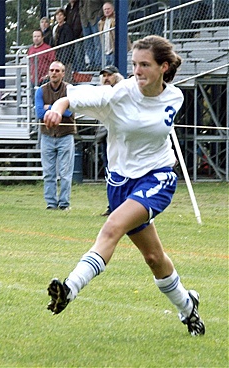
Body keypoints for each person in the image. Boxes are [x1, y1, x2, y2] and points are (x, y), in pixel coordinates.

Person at [44, 35, 205, 336]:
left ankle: (69, 288)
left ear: (164, 67)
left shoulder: (176, 97)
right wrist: (57, 108)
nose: (137, 71)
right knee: (154, 258)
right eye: (134, 64)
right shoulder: (118, 94)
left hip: (158, 177)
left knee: (112, 227)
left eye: (145, 65)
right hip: (120, 184)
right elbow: (71, 98)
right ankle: (188, 307)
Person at [35, 61, 76, 210]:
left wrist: (49, 107)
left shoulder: (69, 90)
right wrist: (58, 108)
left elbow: (69, 112)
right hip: (47, 136)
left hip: (66, 135)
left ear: (63, 73)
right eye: (52, 70)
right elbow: (39, 113)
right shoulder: (41, 90)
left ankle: (64, 203)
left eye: (57, 71)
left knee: (65, 173)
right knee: (48, 173)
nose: (54, 73)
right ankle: (51, 203)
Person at [95, 65, 124, 216]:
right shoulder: (101, 93)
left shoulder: (123, 91)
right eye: (104, 75)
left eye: (109, 75)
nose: (106, 78)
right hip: (105, 138)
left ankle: (124, 206)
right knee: (110, 172)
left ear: (116, 77)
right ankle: (112, 205)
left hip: (122, 139)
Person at [98, 2, 132, 66]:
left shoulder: (117, 19)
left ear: (113, 9)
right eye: (105, 9)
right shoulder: (101, 22)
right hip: (106, 50)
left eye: (108, 9)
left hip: (115, 49)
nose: (107, 11)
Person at [79, 0, 105, 70]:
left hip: (95, 18)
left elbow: (106, 2)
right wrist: (82, 15)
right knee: (88, 44)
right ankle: (91, 63)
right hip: (85, 20)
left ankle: (98, 64)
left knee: (98, 43)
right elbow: (81, 5)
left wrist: (99, 14)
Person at [52, 9, 74, 82]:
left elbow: (68, 44)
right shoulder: (55, 28)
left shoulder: (67, 28)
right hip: (57, 56)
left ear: (64, 16)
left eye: (61, 15)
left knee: (66, 80)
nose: (59, 17)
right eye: (57, 15)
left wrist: (63, 59)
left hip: (66, 60)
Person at [65, 0, 86, 72]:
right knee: (73, 56)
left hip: (78, 35)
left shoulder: (79, 5)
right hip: (70, 36)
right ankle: (75, 72)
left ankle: (81, 71)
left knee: (79, 55)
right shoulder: (67, 8)